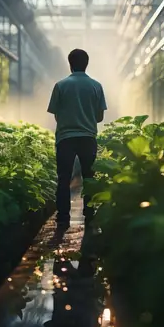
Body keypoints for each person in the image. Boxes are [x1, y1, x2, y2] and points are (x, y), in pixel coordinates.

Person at [47, 49, 107, 229]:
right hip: (88, 137)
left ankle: (63, 218)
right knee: (89, 177)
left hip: (65, 138)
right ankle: (89, 214)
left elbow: (56, 115)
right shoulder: (96, 86)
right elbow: (99, 118)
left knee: (63, 178)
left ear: (70, 63)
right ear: (87, 64)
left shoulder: (60, 86)